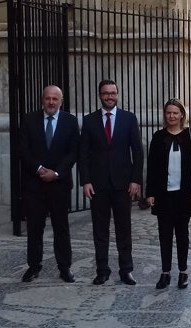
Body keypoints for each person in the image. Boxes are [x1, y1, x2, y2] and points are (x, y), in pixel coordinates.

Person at [79, 79, 144, 286]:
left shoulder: (128, 118)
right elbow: (83, 154)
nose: (109, 96)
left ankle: (126, 270)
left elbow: (138, 152)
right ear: (99, 95)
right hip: (97, 185)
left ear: (117, 95)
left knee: (124, 229)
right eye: (106, 93)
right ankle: (102, 270)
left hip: (123, 184)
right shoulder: (89, 121)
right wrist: (85, 181)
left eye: (113, 93)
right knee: (100, 230)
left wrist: (136, 180)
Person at [19, 85, 80, 283]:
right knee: (35, 228)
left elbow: (73, 151)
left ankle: (65, 267)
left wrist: (56, 173)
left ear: (61, 101)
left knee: (61, 227)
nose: (51, 102)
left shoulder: (70, 121)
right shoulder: (29, 120)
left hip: (59, 185)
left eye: (55, 99)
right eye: (48, 98)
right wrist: (39, 169)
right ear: (42, 100)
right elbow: (23, 150)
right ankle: (33, 266)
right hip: (34, 184)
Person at [146, 98, 191, 290]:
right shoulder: (158, 136)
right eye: (168, 113)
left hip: (184, 193)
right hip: (163, 193)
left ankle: (183, 271)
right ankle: (165, 272)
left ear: (182, 115)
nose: (172, 116)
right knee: (164, 234)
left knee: (182, 233)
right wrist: (150, 192)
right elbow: (152, 167)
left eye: (175, 113)